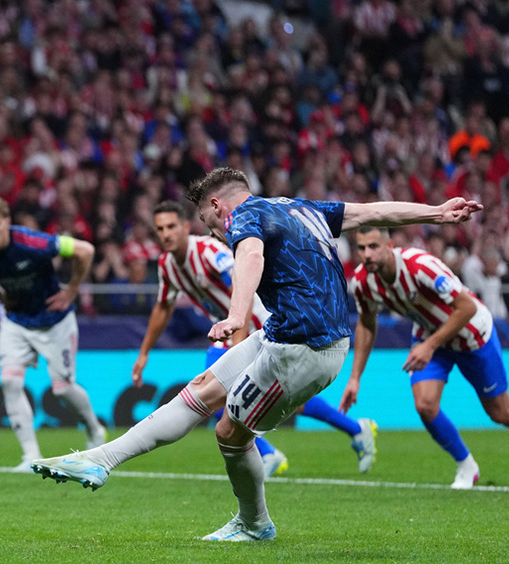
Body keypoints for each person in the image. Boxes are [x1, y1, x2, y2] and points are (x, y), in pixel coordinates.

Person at [32, 167, 484, 543]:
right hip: (285, 332)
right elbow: (374, 210)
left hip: (305, 348)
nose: (212, 230)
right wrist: (437, 213)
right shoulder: (299, 206)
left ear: (216, 206)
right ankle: (100, 459)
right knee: (202, 390)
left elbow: (249, 255)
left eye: (209, 221)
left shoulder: (243, 219)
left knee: (230, 432)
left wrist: (234, 314)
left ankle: (255, 524)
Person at [131, 200, 377, 477]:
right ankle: (355, 429)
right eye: (160, 228)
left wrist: (238, 339)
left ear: (186, 227)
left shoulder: (209, 250)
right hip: (227, 329)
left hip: (254, 322)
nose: (166, 233)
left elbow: (241, 283)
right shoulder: (166, 265)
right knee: (277, 397)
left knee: (210, 393)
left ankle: (269, 453)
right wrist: (144, 353)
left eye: (172, 226)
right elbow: (163, 307)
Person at [340, 227, 509, 489]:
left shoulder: (421, 266)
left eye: (374, 247)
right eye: (361, 248)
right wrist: (355, 378)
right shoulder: (361, 282)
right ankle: (466, 465)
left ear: (389, 245)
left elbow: (467, 306)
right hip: (430, 337)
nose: (367, 254)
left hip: (471, 335)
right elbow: (367, 324)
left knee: (501, 412)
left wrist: (429, 345)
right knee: (425, 405)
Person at [0, 193, 105, 471]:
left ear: (7, 222)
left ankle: (94, 429)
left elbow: (85, 250)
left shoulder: (33, 242)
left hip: (54, 321)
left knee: (62, 390)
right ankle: (30, 458)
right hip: (16, 321)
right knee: (10, 382)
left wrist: (71, 290)